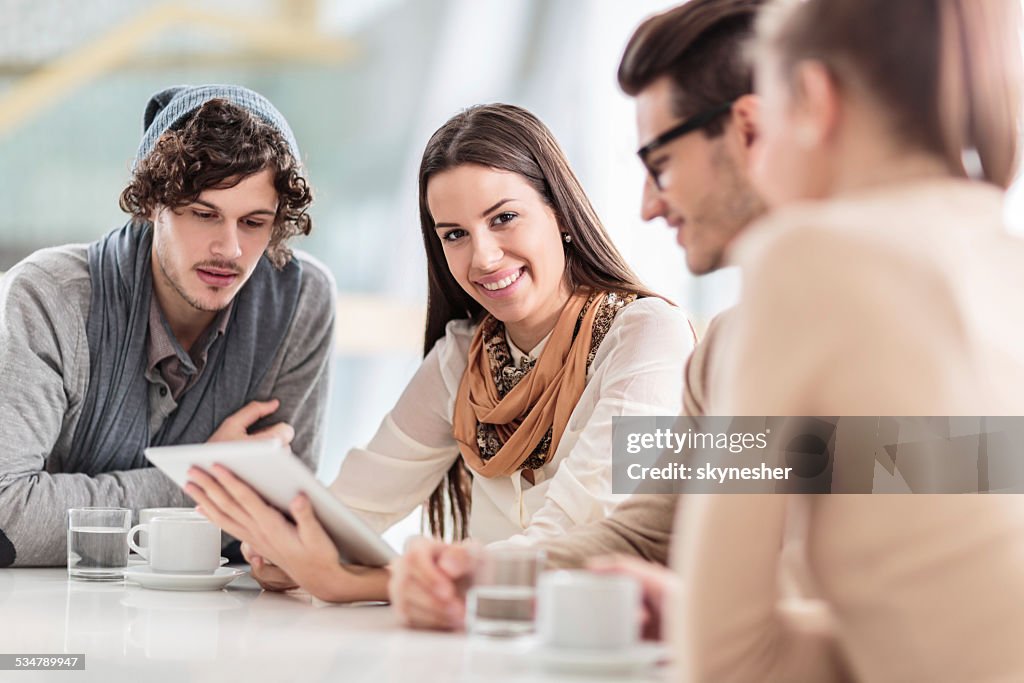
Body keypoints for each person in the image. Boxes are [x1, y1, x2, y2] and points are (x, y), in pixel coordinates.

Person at [186, 103, 694, 602]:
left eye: (505, 218)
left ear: (559, 212)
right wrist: (286, 550)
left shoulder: (649, 336)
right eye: (454, 234)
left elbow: (576, 535)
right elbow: (351, 509)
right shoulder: (463, 355)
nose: (484, 257)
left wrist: (364, 581)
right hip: (480, 643)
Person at [388, 0, 768, 631]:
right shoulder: (732, 343)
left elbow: (942, 552)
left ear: (750, 132)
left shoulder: (892, 313)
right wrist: (480, 575)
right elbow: (649, 531)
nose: (647, 206)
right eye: (452, 233)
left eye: (662, 164)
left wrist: (715, 620)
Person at [672, 0, 1024, 680]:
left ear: (812, 98)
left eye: (762, 123)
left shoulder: (808, 258)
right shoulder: (1006, 261)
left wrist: (716, 620)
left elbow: (725, 664)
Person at [0, 85, 336, 567]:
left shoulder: (301, 303)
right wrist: (205, 477)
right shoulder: (50, 297)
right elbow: (8, 519)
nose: (231, 250)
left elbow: (282, 522)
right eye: (204, 214)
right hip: (52, 615)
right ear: (151, 203)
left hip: (221, 618)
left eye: (254, 222)